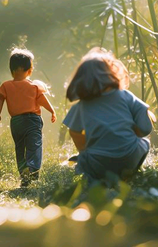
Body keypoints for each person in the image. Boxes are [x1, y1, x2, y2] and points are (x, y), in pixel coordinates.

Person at [63, 48, 153, 183]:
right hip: (129, 156)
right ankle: (129, 174)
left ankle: (95, 178)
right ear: (112, 73)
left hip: (98, 162)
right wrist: (134, 131)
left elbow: (74, 132)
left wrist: (85, 151)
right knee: (145, 143)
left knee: (84, 161)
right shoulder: (125, 95)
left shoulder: (81, 106)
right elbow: (145, 128)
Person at [0, 48, 57, 187]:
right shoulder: (34, 86)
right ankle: (32, 171)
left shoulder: (6, 86)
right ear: (29, 69)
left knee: (20, 147)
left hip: (16, 122)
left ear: (12, 69)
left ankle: (23, 173)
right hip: (32, 120)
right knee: (34, 147)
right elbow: (43, 100)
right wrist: (52, 111)